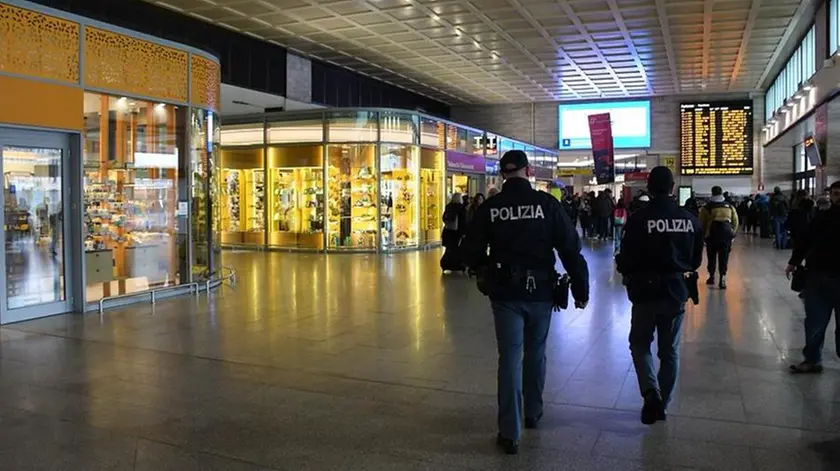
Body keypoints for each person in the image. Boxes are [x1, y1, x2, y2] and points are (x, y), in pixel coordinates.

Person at [461, 150, 589, 455]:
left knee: (509, 358)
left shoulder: (491, 207)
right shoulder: (547, 205)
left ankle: (510, 432)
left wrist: (482, 269)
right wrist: (581, 289)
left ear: (503, 173)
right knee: (536, 353)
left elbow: (470, 250)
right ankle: (532, 411)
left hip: (505, 294)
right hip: (542, 292)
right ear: (528, 170)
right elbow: (570, 248)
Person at [616, 167, 703, 425]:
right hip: (675, 291)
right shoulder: (689, 220)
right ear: (673, 188)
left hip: (644, 291)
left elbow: (627, 258)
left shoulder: (639, 219)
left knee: (640, 344)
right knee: (670, 351)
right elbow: (695, 260)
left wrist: (625, 267)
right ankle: (662, 405)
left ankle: (650, 393)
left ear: (649, 189)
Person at [785, 181, 840, 373]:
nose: (838, 197)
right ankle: (812, 359)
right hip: (818, 276)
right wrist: (794, 261)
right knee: (814, 322)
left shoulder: (822, 218)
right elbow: (806, 240)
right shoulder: (822, 218)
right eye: (835, 194)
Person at [699, 186, 739, 289]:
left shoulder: (707, 207)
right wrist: (732, 234)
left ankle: (711, 277)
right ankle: (722, 279)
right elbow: (735, 222)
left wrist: (703, 236)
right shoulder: (730, 207)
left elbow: (701, 223)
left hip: (711, 237)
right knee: (724, 258)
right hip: (726, 237)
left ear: (712, 193)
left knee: (711, 257)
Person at [440, 193, 467, 272]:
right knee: (457, 249)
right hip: (457, 233)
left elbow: (444, 218)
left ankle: (446, 264)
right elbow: (463, 222)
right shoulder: (461, 208)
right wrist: (464, 233)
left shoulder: (448, 206)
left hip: (448, 231)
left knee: (449, 249)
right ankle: (457, 264)